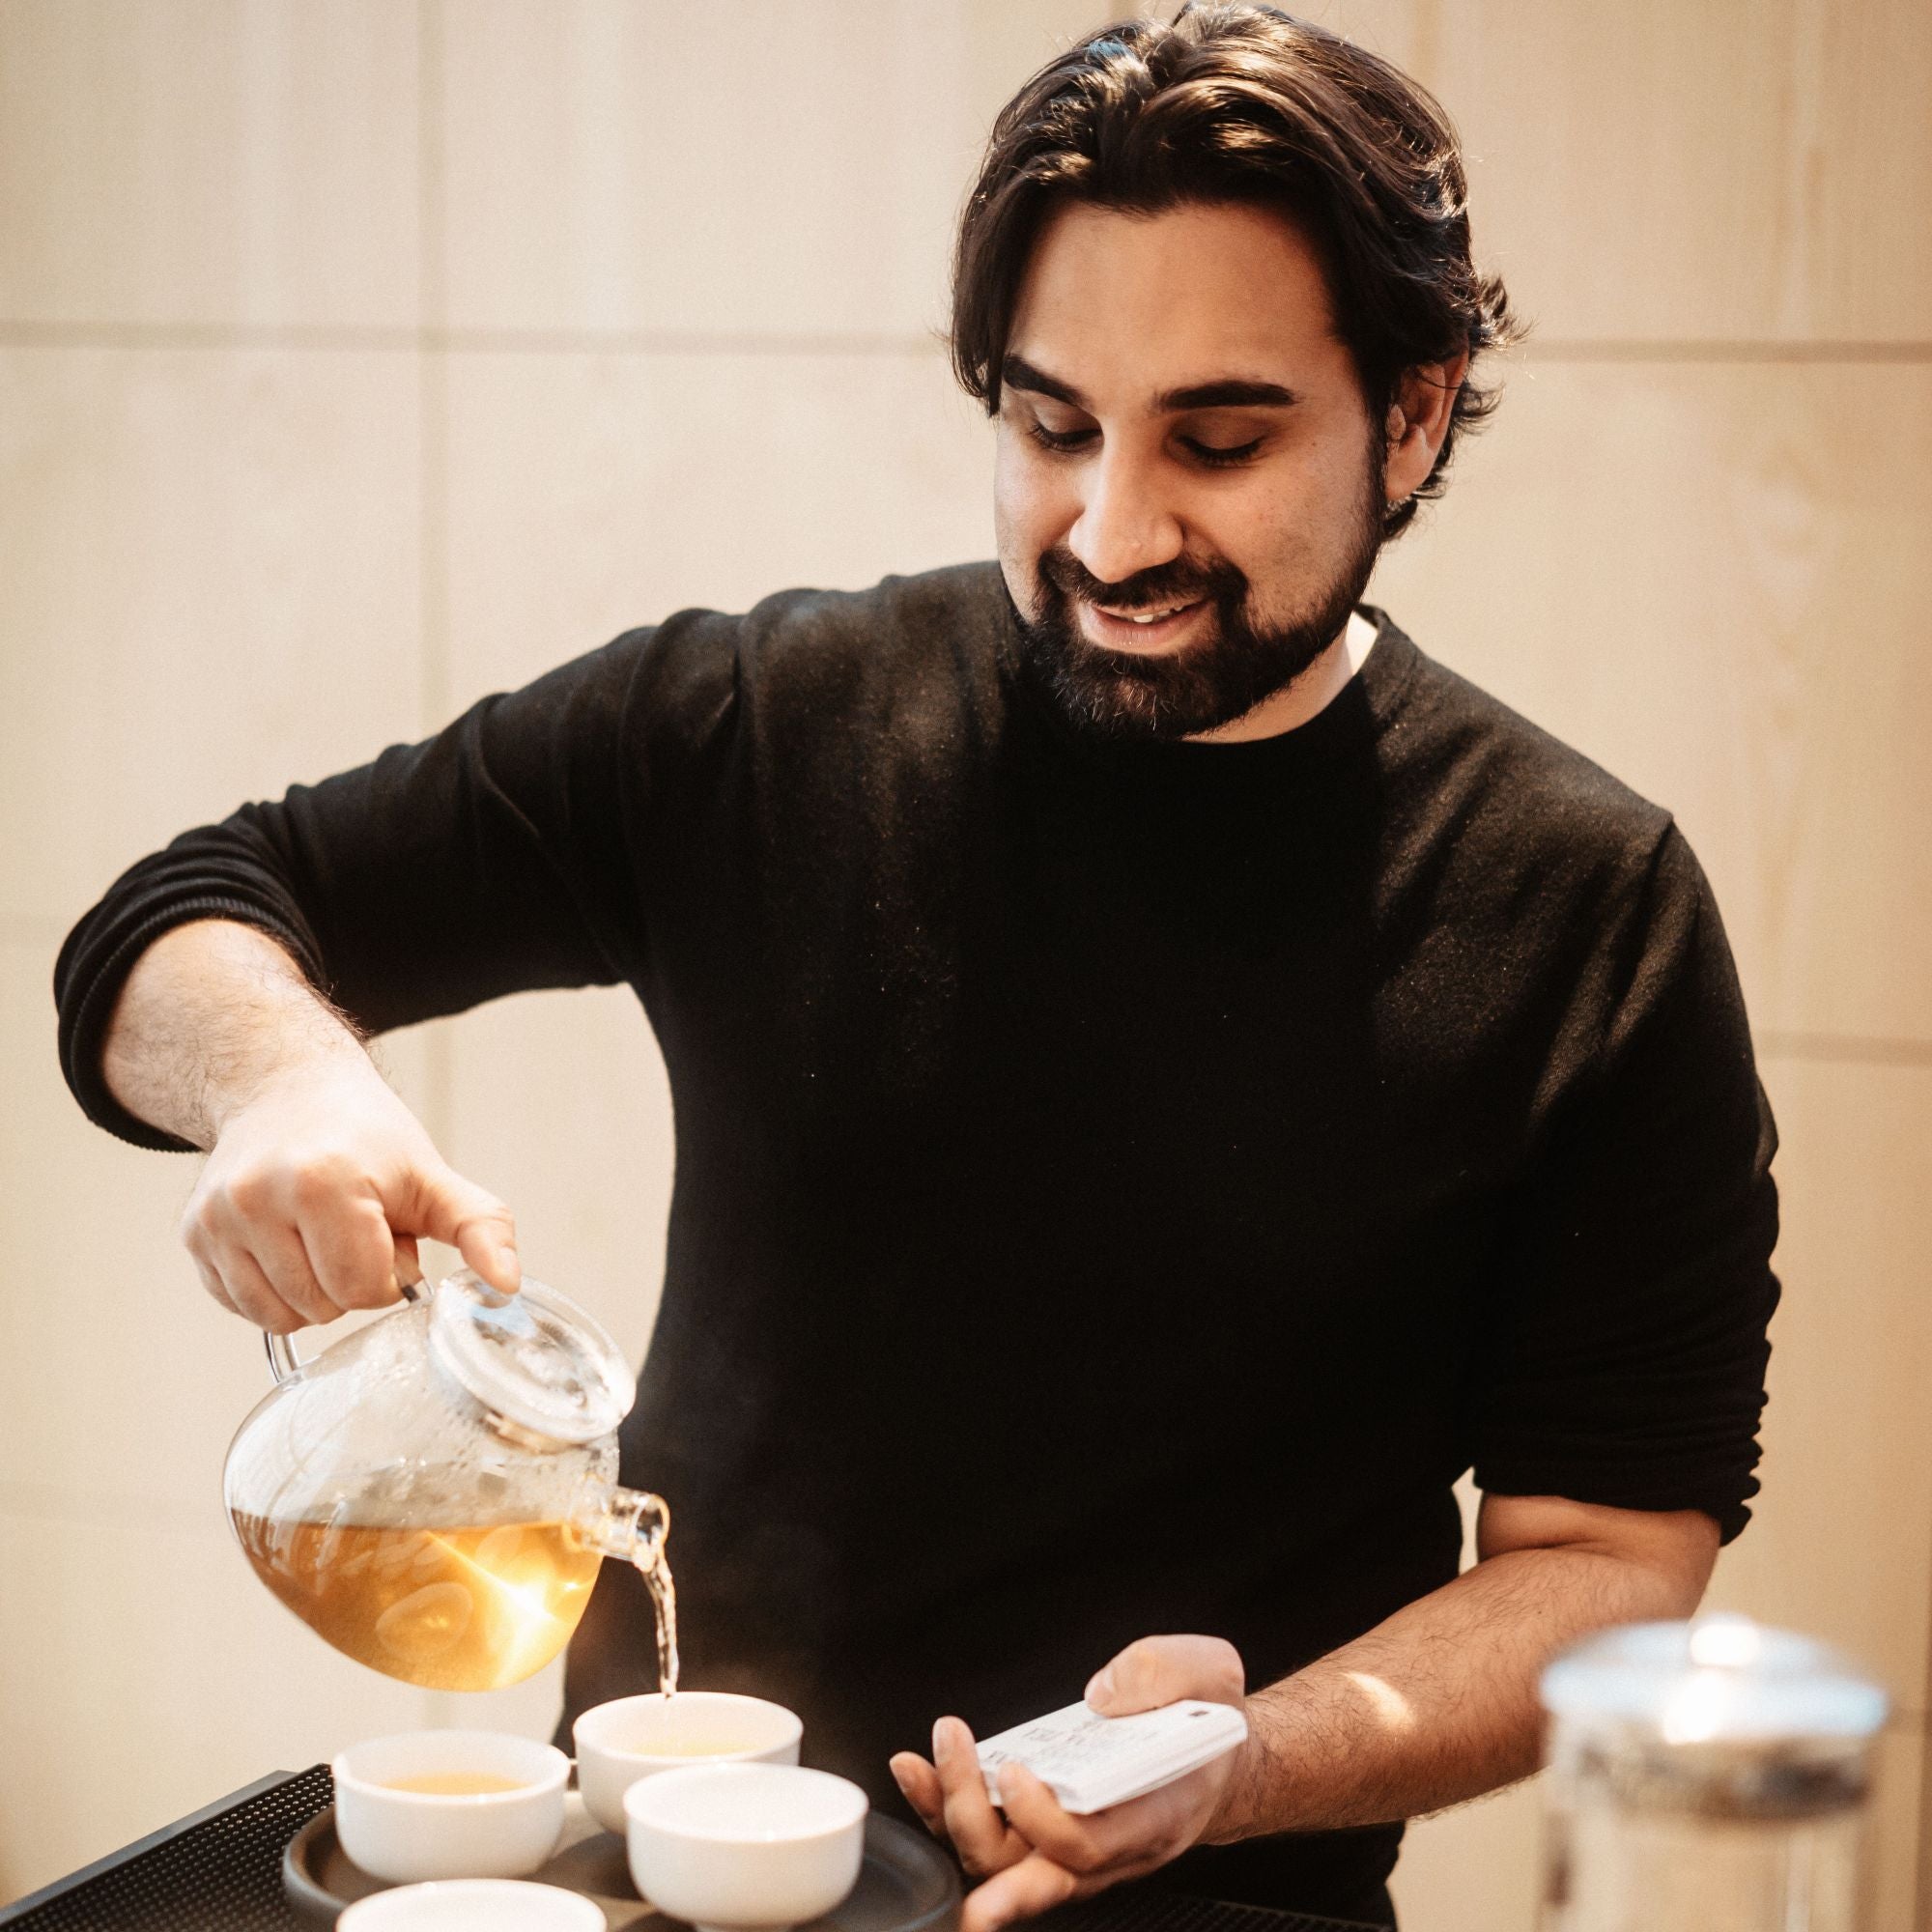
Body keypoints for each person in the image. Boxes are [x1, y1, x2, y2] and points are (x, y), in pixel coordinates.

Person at [53, 9, 1778, 1929]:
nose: (1113, 530)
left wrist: (1252, 1758)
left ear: (1415, 409)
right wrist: (284, 1080)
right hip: (651, 1891)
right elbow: (184, 914)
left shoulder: (1579, 903)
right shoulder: (766, 724)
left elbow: (1611, 1554)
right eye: (1050, 428)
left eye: (1217, 439)